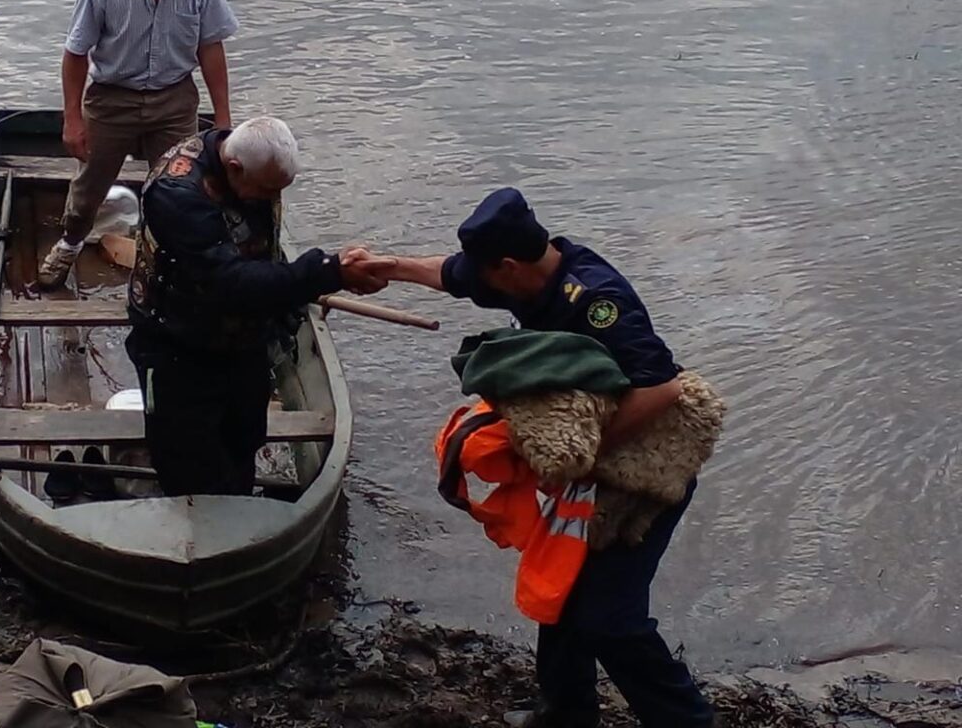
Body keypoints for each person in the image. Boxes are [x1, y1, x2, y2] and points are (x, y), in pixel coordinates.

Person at [350, 188, 715, 728]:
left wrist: (584, 451)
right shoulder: (519, 270)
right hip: (590, 471)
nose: (478, 284)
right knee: (562, 590)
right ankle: (565, 714)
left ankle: (686, 720)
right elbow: (449, 275)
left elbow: (661, 387)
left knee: (610, 620)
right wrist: (390, 266)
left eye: (487, 275)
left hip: (648, 471)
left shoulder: (595, 298)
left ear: (510, 267)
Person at [125, 117, 385, 496]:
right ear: (234, 168)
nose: (268, 199)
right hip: (176, 345)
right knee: (186, 458)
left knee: (245, 435)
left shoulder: (242, 165)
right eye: (265, 191)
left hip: (243, 338)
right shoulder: (176, 195)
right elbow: (230, 283)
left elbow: (258, 269)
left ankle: (240, 513)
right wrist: (325, 272)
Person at [38, 0, 238, 289]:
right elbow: (75, 54)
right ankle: (70, 243)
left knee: (181, 187)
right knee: (90, 185)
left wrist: (223, 120)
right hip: (112, 98)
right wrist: (73, 119)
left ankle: (174, 260)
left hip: (174, 97)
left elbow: (210, 47)